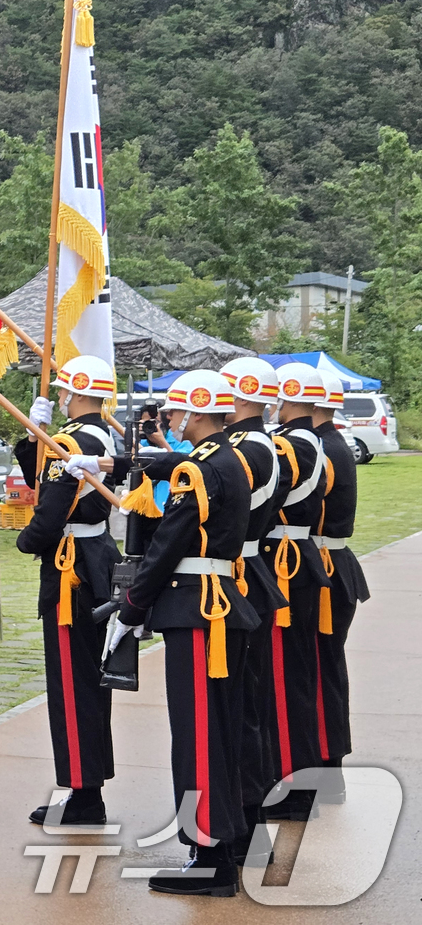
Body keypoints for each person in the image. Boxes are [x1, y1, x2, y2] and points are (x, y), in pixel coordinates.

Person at [112, 370, 258, 897]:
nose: (170, 421)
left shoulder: (200, 470)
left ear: (196, 412)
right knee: (219, 728)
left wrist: (131, 606)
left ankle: (210, 855)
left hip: (194, 609)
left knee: (197, 734)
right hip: (217, 606)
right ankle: (223, 840)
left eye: (175, 413)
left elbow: (168, 544)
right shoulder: (230, 459)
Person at [14, 355, 122, 827]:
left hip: (70, 571)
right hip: (97, 559)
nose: (57, 396)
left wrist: (27, 541)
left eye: (62, 390)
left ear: (74, 393)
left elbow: (50, 505)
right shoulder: (103, 436)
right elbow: (49, 474)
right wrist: (29, 440)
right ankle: (87, 787)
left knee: (72, 686)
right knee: (89, 682)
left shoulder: (70, 442)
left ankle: (83, 795)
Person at [218, 357, 291, 860]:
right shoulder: (260, 443)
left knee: (240, 710)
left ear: (238, 396)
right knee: (247, 707)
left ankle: (245, 819)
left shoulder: (247, 448)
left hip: (239, 574)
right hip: (252, 571)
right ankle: (249, 813)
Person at [261, 362, 331, 821]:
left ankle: (296, 786)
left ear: (286, 399)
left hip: (286, 563)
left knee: (286, 680)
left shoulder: (291, 444)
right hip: (294, 559)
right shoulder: (309, 441)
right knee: (289, 676)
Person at [310, 370, 367, 795]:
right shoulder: (331, 443)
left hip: (322, 565)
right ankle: (327, 770)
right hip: (330, 562)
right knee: (324, 670)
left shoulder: (323, 449)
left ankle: (324, 770)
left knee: (316, 671)